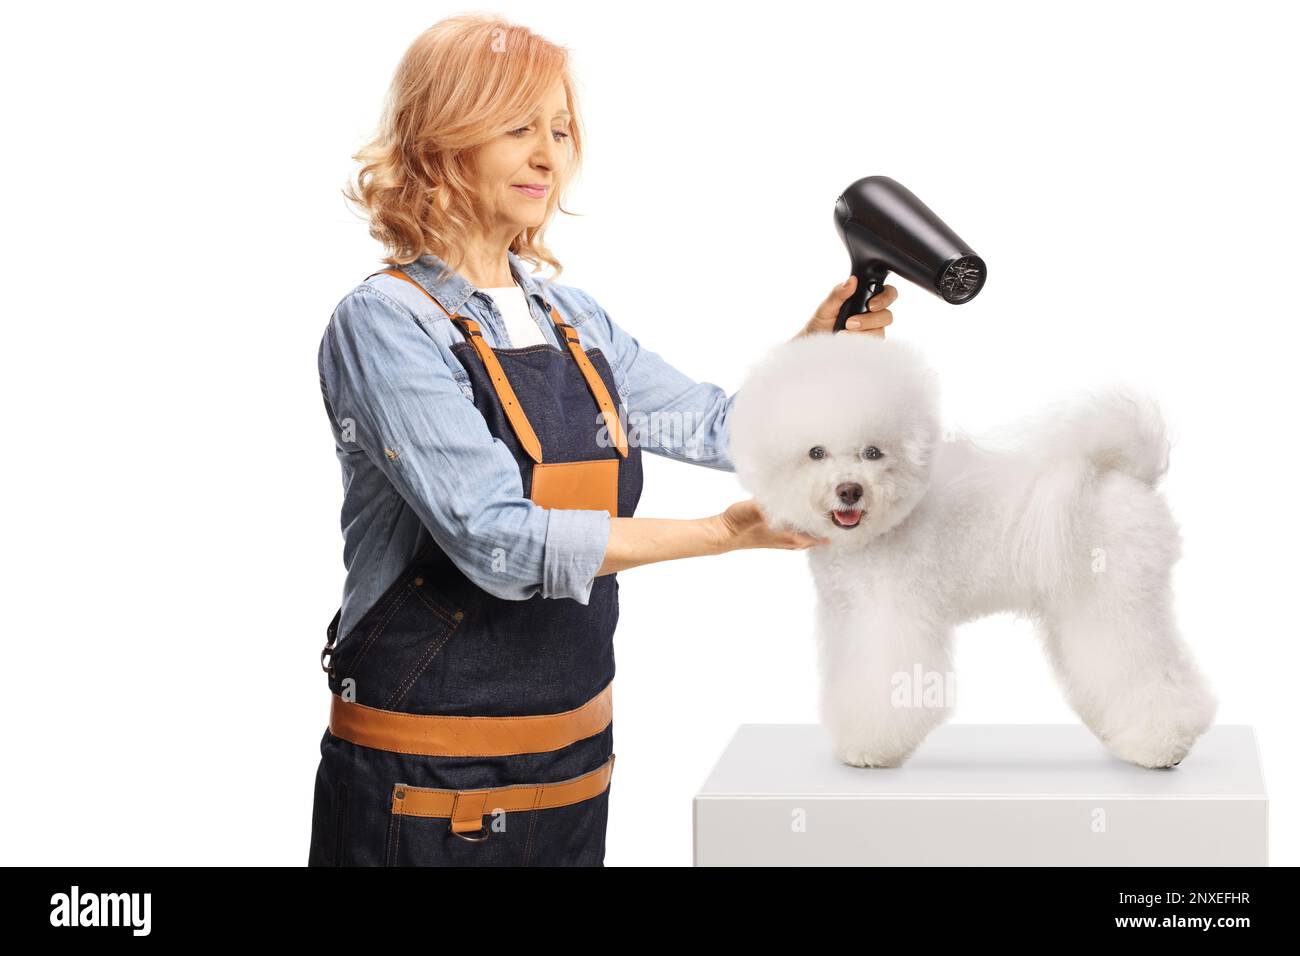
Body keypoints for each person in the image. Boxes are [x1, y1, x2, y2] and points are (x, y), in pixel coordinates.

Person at [308, 14, 897, 867]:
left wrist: (814, 358)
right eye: (518, 127)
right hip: (422, 784)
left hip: (572, 764)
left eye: (559, 130)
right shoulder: (387, 323)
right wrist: (723, 533)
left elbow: (715, 426)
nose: (549, 156)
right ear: (442, 140)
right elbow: (497, 539)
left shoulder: (571, 320)